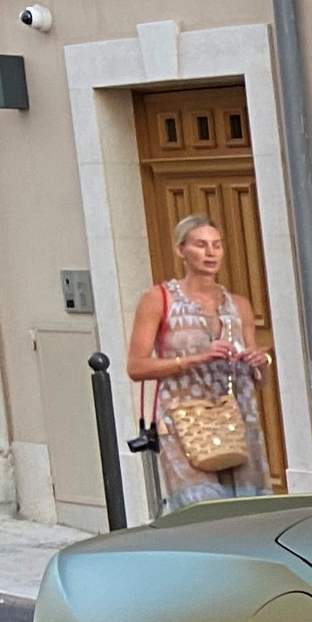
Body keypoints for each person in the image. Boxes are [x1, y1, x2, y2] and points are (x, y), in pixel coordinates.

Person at [125, 214, 274, 508]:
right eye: (201, 245)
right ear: (181, 251)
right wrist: (194, 359)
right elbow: (136, 366)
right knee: (203, 511)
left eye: (217, 246)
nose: (210, 253)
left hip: (237, 420)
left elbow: (261, 381)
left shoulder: (238, 304)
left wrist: (260, 362)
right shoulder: (159, 299)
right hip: (185, 423)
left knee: (247, 511)